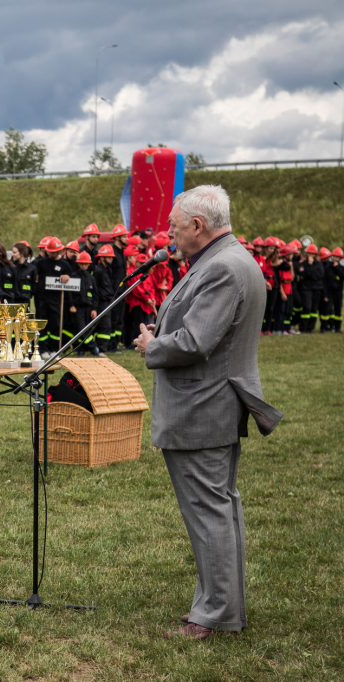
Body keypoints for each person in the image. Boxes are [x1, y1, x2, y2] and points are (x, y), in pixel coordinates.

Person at [133, 184, 279, 642]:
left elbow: (197, 343)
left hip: (203, 407)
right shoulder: (231, 260)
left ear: (197, 226)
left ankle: (215, 615)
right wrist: (168, 329)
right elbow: (208, 328)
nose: (170, 236)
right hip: (211, 403)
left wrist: (152, 345)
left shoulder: (222, 268)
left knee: (210, 512)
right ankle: (217, 605)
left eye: (175, 227)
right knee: (219, 509)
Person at [35, 237, 71, 356]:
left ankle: (55, 349)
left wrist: (67, 278)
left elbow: (70, 281)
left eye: (53, 251)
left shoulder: (64, 265)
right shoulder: (41, 263)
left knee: (55, 324)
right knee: (42, 323)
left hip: (56, 300)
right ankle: (43, 349)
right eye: (49, 251)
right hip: (42, 299)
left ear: (59, 251)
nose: (51, 253)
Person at [69, 251, 101, 356]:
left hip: (89, 308)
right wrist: (71, 305)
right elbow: (69, 293)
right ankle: (93, 348)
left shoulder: (91, 278)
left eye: (85, 264)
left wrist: (94, 309)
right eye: (81, 263)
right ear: (78, 264)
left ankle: (82, 349)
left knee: (87, 328)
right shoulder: (73, 276)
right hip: (78, 308)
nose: (83, 265)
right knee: (81, 328)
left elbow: (95, 295)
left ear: (89, 264)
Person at [294, 244, 323, 333]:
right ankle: (303, 328)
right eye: (309, 253)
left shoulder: (319, 264)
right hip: (306, 289)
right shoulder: (302, 264)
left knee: (314, 309)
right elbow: (304, 275)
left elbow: (320, 275)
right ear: (306, 254)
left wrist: (309, 274)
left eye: (312, 254)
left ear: (315, 255)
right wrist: (310, 266)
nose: (311, 255)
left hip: (317, 288)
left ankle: (310, 327)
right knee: (307, 307)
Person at [324, 247, 343, 332]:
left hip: (338, 291)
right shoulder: (328, 267)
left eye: (337, 257)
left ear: (340, 258)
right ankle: (326, 327)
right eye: (334, 256)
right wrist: (325, 294)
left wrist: (337, 268)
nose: (335, 258)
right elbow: (325, 280)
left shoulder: (341, 267)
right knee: (328, 309)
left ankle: (337, 328)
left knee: (338, 309)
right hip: (329, 291)